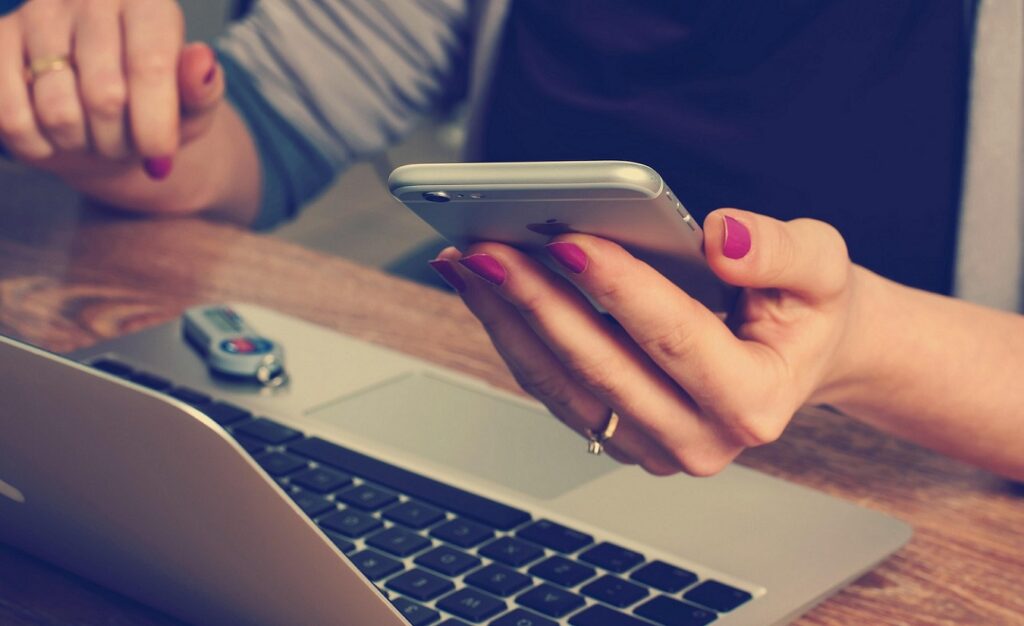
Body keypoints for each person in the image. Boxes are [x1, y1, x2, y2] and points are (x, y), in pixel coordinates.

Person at [0, 0, 1021, 480]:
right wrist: (122, 116)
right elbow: (268, 125)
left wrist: (860, 343)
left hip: (910, 507)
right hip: (495, 443)